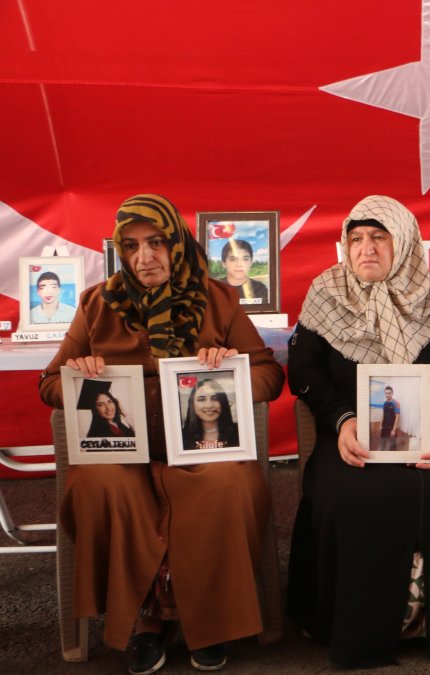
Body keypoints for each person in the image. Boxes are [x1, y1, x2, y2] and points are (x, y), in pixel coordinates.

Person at [40, 194, 284, 674]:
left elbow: (269, 376)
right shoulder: (96, 303)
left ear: (177, 243)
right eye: (130, 246)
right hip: (124, 452)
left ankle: (207, 622)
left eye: (156, 243)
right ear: (119, 251)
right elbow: (49, 385)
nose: (144, 257)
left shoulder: (219, 299)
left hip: (202, 446)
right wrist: (80, 373)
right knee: (96, 485)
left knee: (227, 484)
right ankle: (146, 620)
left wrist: (225, 374)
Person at [286, 195, 430, 667]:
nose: (366, 249)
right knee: (349, 495)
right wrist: (341, 420)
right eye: (356, 239)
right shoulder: (326, 292)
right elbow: (303, 372)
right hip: (353, 432)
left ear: (403, 243)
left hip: (429, 431)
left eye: (379, 237)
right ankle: (358, 627)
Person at [179, 378, 239, 450]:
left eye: (215, 398)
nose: (209, 405)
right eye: (201, 399)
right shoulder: (181, 438)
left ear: (223, 402)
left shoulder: (239, 433)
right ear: (192, 405)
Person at [219, 239, 268, 303]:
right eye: (233, 259)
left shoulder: (260, 288)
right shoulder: (214, 288)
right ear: (223, 263)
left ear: (251, 262)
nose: (239, 264)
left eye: (245, 259)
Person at [378, 385, 400, 451]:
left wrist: (394, 430)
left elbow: (397, 416)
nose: (387, 395)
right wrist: (380, 425)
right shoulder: (384, 403)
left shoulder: (396, 403)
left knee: (392, 446)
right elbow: (383, 415)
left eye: (389, 393)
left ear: (392, 393)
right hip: (384, 427)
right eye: (386, 393)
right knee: (383, 443)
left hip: (391, 427)